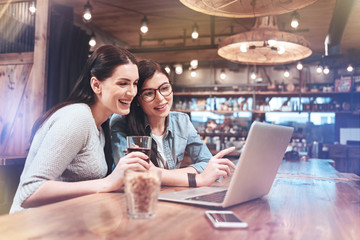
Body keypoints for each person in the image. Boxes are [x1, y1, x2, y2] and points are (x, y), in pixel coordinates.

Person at [10, 45, 150, 213]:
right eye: (123, 83)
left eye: (134, 83)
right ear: (96, 85)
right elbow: (29, 192)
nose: (132, 92)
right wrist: (107, 183)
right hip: (31, 229)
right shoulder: (77, 117)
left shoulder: (99, 127)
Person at [110, 59, 236, 187]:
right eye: (148, 93)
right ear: (137, 99)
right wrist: (197, 178)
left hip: (170, 196)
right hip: (133, 199)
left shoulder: (182, 121)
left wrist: (157, 172)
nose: (160, 98)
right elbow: (134, 174)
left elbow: (209, 166)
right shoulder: (121, 122)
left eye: (164, 88)